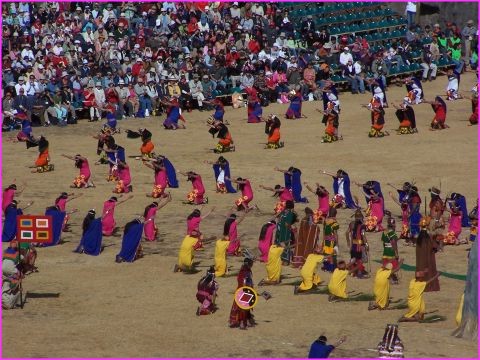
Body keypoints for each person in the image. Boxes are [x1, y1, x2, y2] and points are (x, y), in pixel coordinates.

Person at [229, 258, 256, 329]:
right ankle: (242, 323)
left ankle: (246, 321)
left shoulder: (242, 270)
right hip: (244, 291)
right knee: (243, 308)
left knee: (243, 307)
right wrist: (250, 290)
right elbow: (245, 283)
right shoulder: (246, 272)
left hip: (240, 290)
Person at [415, 217, 440, 292]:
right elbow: (434, 247)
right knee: (429, 270)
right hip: (428, 258)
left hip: (420, 259)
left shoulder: (419, 237)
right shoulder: (428, 238)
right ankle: (429, 286)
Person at [346, 210, 369, 278]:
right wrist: (366, 244)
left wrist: (348, 242)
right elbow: (363, 235)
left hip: (353, 244)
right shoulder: (362, 226)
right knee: (359, 259)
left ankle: (352, 271)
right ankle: (358, 273)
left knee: (353, 258)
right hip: (359, 245)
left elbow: (347, 233)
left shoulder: (351, 223)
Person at [275, 200, 298, 265]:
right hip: (285, 231)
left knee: (279, 243)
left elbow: (278, 218)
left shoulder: (283, 212)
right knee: (285, 244)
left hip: (279, 230)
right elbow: (288, 224)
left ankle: (280, 258)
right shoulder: (290, 213)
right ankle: (285, 260)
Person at [321, 207, 340, 272]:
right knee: (332, 255)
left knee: (326, 253)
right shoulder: (334, 223)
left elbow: (323, 231)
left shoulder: (325, 221)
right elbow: (335, 234)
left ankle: (325, 267)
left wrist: (323, 240)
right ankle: (331, 268)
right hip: (332, 241)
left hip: (326, 240)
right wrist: (337, 243)